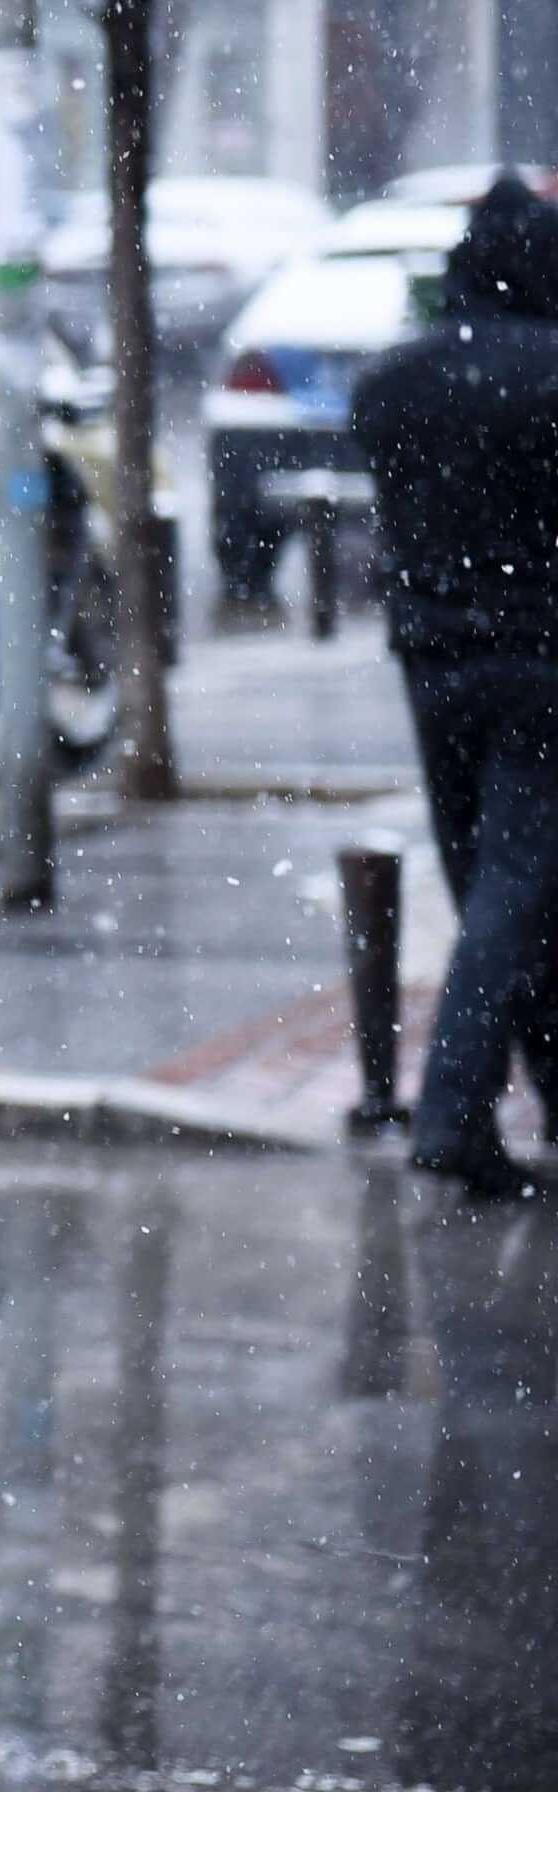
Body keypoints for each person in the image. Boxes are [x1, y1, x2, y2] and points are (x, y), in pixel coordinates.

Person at [351, 172, 558, 1200]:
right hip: (539, 667)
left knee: (495, 887)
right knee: (517, 891)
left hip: (433, 666)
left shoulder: (395, 384)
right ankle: (454, 1114)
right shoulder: (548, 375)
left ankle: (537, 1091)